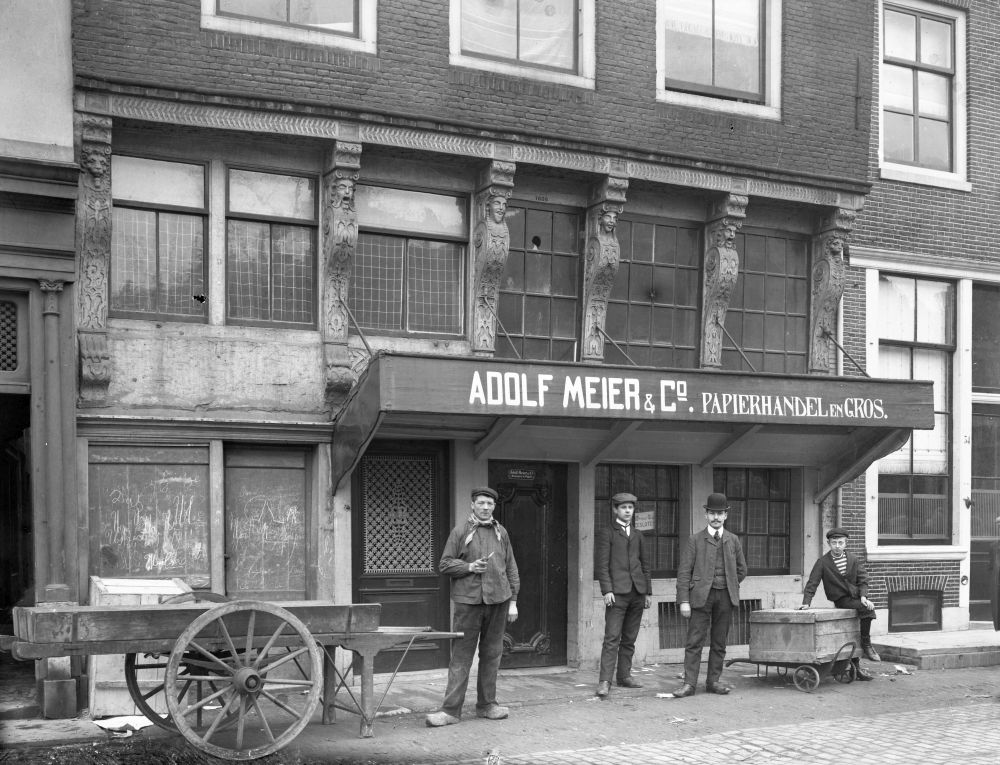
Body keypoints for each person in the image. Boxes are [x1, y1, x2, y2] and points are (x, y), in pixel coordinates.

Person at [426, 487, 520, 727]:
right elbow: (444, 564)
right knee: (461, 657)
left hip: (498, 601)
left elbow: (511, 568)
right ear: (473, 505)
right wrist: (468, 567)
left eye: (489, 503)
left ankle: (487, 705)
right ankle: (450, 711)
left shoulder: (502, 533)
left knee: (492, 655)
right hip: (468, 603)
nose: (486, 507)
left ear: (494, 506)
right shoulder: (460, 531)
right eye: (481, 503)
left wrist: (513, 602)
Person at [672, 492, 747, 698]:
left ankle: (713, 681)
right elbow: (684, 572)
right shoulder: (695, 540)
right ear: (706, 515)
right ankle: (689, 684)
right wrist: (684, 600)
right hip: (700, 598)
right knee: (694, 641)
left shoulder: (733, 540)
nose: (716, 517)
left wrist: (730, 584)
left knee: (719, 641)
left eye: (720, 513)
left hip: (725, 597)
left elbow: (742, 570)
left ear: (725, 516)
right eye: (712, 513)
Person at [799, 527, 881, 680]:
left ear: (846, 543)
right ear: (829, 543)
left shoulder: (853, 559)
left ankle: (858, 665)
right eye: (834, 542)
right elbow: (812, 583)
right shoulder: (823, 562)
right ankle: (867, 645)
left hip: (856, 598)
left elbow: (863, 580)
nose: (837, 546)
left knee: (854, 630)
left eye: (841, 543)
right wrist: (806, 603)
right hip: (842, 600)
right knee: (867, 610)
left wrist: (864, 596)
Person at [594, 492, 652, 697]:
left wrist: (647, 592)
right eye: (624, 508)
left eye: (631, 508)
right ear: (615, 510)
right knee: (612, 637)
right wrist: (607, 590)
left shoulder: (638, 535)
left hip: (637, 592)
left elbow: (645, 565)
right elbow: (601, 565)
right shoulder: (607, 533)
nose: (628, 511)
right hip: (617, 594)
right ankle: (604, 681)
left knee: (629, 638)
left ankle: (624, 676)